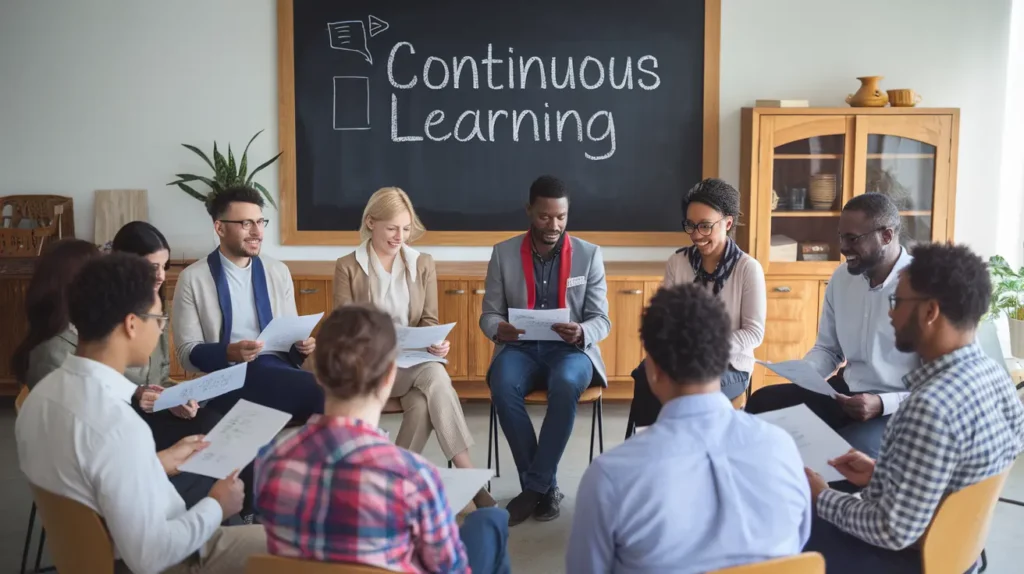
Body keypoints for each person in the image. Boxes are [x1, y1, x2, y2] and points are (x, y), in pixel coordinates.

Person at [16, 253, 266, 574]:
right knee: (299, 548)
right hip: (173, 557)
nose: (162, 330)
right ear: (131, 324)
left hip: (94, 555)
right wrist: (218, 505)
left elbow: (93, 477)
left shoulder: (39, 397)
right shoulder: (116, 425)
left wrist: (159, 461)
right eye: (159, 319)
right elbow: (151, 557)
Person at [803, 243, 1024, 573]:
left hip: (912, 560)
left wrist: (822, 495)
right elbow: (954, 484)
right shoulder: (996, 377)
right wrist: (880, 473)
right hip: (960, 551)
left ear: (930, 311)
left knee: (789, 527)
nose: (890, 313)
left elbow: (891, 530)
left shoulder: (929, 408)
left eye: (897, 301)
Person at [567, 283, 810, 572]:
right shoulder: (782, 448)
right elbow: (798, 545)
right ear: (723, 359)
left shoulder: (611, 477)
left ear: (653, 369)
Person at [255, 305, 510, 574]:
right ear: (390, 377)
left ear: (316, 373)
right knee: (492, 520)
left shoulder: (271, 460)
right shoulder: (414, 477)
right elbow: (451, 568)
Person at [333, 187, 495, 508]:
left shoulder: (422, 263)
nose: (400, 237)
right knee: (430, 387)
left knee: (427, 390)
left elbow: (427, 320)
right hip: (370, 368)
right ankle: (472, 480)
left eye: (406, 229)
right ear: (371, 222)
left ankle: (389, 482)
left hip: (412, 362)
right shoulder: (348, 266)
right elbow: (343, 330)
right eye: (392, 228)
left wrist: (434, 343)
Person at [746, 193, 919, 458]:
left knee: (844, 455)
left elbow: (938, 387)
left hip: (898, 409)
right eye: (841, 237)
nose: (843, 247)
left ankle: (820, 495)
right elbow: (828, 349)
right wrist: (806, 372)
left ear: (886, 235)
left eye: (853, 239)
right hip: (846, 395)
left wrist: (881, 403)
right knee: (763, 404)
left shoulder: (923, 287)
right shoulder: (842, 278)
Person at [480, 175, 611, 526]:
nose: (554, 225)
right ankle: (544, 487)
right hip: (519, 348)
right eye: (544, 217)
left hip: (569, 351)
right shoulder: (503, 253)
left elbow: (602, 320)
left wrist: (582, 330)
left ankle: (533, 489)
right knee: (503, 385)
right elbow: (488, 314)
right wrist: (498, 328)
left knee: (567, 383)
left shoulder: (589, 255)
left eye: (561, 217)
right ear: (529, 211)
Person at [172, 185, 323, 422]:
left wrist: (301, 345)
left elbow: (289, 342)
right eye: (246, 224)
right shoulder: (193, 278)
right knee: (321, 391)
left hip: (276, 371)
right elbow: (185, 353)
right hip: (226, 378)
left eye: (260, 222)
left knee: (328, 388)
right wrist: (229, 352)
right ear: (219, 228)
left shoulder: (278, 271)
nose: (257, 232)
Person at [628, 178, 766, 430]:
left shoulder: (748, 269)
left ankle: (688, 454)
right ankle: (649, 447)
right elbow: (665, 319)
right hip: (679, 359)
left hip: (730, 365)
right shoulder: (678, 262)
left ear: (728, 222)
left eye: (705, 226)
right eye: (690, 226)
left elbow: (754, 333)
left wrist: (706, 347)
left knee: (686, 389)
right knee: (645, 376)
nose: (696, 235)